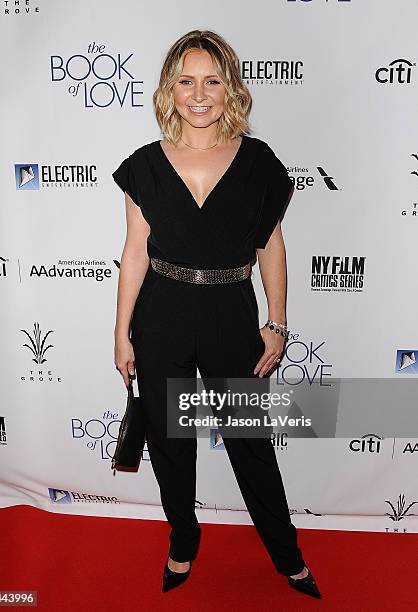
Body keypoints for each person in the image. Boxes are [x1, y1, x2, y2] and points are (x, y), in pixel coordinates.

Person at [112, 29, 321, 599]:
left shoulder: (257, 162)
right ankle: (183, 542)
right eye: (186, 80)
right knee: (171, 444)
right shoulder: (143, 167)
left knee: (251, 443)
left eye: (212, 80)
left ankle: (287, 555)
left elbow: (270, 246)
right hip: (162, 317)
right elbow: (135, 252)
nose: (198, 94)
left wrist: (276, 322)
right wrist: (121, 333)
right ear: (168, 90)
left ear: (231, 88)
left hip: (232, 313)